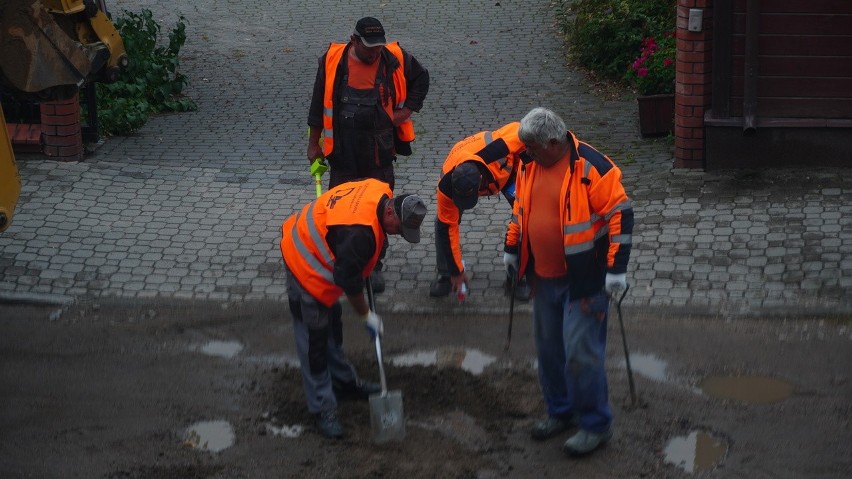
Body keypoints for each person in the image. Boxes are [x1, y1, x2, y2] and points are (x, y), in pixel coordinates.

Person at [503, 107, 633, 456]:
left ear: (554, 142)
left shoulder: (592, 167)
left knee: (580, 354)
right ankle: (560, 412)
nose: (527, 154)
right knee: (549, 352)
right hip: (543, 278)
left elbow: (620, 214)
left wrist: (617, 269)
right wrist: (512, 247)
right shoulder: (529, 163)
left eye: (533, 148)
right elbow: (520, 208)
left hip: (584, 282)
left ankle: (595, 424)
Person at [279, 178, 427, 439]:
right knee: (314, 338)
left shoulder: (380, 190)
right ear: (390, 211)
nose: (397, 233)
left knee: (332, 324)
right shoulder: (360, 234)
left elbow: (354, 259)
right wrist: (367, 316)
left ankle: (343, 382)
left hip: (326, 250)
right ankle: (322, 406)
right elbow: (348, 281)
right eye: (398, 228)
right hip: (303, 260)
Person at [306, 17, 430, 293]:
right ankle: (343, 261)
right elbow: (318, 104)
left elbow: (422, 79)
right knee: (340, 206)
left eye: (378, 47)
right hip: (342, 149)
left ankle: (374, 264)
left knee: (379, 208)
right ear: (354, 41)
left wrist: (407, 110)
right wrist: (314, 144)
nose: (375, 53)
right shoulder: (332, 61)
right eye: (369, 48)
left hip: (379, 149)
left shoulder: (393, 57)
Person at [430, 122, 531, 300]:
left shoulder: (500, 147)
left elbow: (525, 130)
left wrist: (527, 167)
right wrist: (456, 270)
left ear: (481, 180)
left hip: (510, 175)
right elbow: (449, 228)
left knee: (526, 218)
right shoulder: (445, 187)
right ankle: (447, 275)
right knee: (441, 224)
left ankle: (517, 276)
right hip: (472, 170)